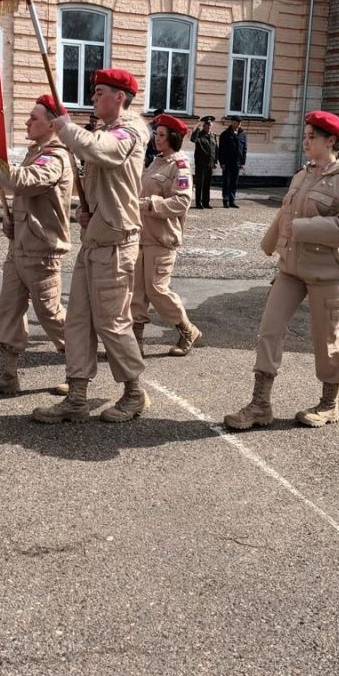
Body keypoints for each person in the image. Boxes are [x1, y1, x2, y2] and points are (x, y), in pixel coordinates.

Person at [224, 110, 339, 431]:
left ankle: (329, 404)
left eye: (312, 137)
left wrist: (300, 228)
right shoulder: (302, 174)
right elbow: (283, 216)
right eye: (305, 136)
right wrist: (269, 243)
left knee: (326, 338)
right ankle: (260, 404)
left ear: (331, 141)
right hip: (291, 269)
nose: (306, 141)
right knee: (269, 329)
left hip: (327, 273)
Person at [33, 69, 151, 425]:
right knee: (79, 322)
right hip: (97, 237)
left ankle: (134, 393)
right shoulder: (104, 129)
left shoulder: (130, 129)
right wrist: (90, 211)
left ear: (120, 97)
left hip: (116, 243)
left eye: (100, 92)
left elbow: (105, 153)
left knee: (112, 323)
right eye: (94, 92)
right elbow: (99, 175)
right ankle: (77, 396)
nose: (94, 98)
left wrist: (64, 126)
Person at [0, 95, 73, 397]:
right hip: (20, 247)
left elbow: (24, 182)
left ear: (52, 123)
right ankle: (7, 375)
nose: (27, 122)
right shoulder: (36, 152)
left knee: (52, 316)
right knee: (8, 311)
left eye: (33, 118)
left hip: (42, 252)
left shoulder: (55, 157)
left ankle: (79, 373)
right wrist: (14, 220)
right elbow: (29, 199)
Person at [132, 114, 202, 357]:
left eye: (161, 135)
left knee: (156, 289)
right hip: (142, 236)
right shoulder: (156, 162)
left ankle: (187, 330)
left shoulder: (179, 166)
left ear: (172, 138)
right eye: (156, 133)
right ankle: (134, 343)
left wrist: (148, 204)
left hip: (162, 238)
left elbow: (182, 202)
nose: (156, 138)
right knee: (137, 292)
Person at [218, 116, 247, 208]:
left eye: (239, 123)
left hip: (237, 163)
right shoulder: (225, 134)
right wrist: (222, 162)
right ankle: (225, 200)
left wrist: (243, 162)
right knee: (226, 182)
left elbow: (244, 149)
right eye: (236, 122)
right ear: (232, 122)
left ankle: (232, 200)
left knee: (234, 182)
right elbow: (221, 150)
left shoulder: (242, 134)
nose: (238, 124)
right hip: (227, 162)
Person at [190, 115, 218, 209]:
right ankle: (198, 203)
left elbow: (215, 149)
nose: (209, 126)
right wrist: (197, 128)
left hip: (210, 163)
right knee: (200, 184)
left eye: (210, 125)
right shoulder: (199, 135)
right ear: (203, 126)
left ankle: (206, 202)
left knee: (207, 184)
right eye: (207, 125)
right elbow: (193, 139)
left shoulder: (213, 136)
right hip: (201, 163)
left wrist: (215, 161)